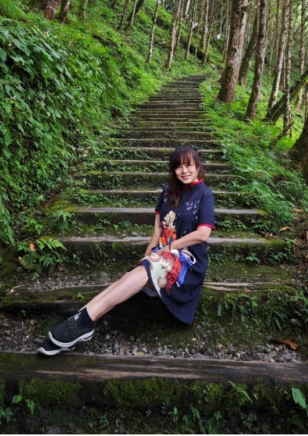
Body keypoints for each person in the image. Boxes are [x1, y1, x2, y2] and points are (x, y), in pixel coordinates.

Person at [39, 146, 215, 355]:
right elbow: (158, 228)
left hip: (188, 260)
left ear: (197, 166)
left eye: (188, 165)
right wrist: (149, 253)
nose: (184, 171)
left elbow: (203, 234)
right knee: (136, 271)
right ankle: (81, 320)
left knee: (146, 268)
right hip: (163, 253)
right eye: (178, 166)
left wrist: (166, 249)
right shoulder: (168, 191)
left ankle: (83, 321)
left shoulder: (205, 194)